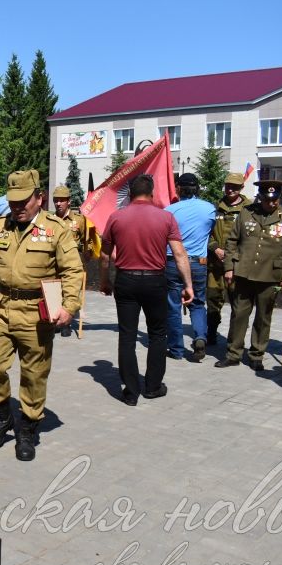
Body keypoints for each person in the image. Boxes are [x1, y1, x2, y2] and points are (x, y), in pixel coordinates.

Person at [0, 171, 84, 461]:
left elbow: (73, 270)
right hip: (1, 308)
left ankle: (27, 427)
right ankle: (2, 417)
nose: (18, 207)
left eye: (24, 201)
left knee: (34, 373)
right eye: (13, 202)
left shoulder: (56, 229)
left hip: (37, 312)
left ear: (39, 198)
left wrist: (69, 306)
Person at [99, 174, 194, 406]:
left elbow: (104, 255)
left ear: (130, 194)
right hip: (155, 281)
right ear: (151, 193)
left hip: (126, 281)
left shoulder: (116, 217)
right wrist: (188, 285)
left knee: (127, 336)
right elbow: (180, 254)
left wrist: (105, 281)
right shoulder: (166, 217)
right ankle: (152, 387)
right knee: (157, 334)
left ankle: (131, 392)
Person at [216, 179, 282, 371]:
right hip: (243, 273)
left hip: (270, 275)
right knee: (239, 315)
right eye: (267, 200)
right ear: (260, 197)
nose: (272, 203)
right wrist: (229, 267)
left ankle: (256, 354)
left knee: (263, 317)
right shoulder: (247, 212)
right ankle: (233, 353)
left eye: (275, 199)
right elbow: (232, 241)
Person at [163, 173, 216, 361]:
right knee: (198, 303)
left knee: (173, 305)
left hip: (173, 262)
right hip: (199, 263)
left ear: (179, 188)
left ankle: (176, 349)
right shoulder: (209, 209)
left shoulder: (169, 210)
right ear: (197, 188)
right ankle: (200, 336)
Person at [207, 172, 251, 346]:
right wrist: (215, 247)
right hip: (216, 266)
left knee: (239, 306)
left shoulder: (249, 209)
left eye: (235, 186)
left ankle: (234, 341)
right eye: (228, 186)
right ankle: (211, 333)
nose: (230, 189)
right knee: (212, 301)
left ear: (241, 188)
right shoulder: (215, 206)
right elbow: (206, 231)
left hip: (238, 266)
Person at [51, 185, 88, 337]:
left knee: (70, 292)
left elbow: (88, 239)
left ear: (68, 201)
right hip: (54, 264)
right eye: (56, 200)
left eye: (62, 200)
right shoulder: (50, 220)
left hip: (72, 263)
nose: (58, 203)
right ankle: (55, 321)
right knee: (54, 293)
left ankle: (67, 322)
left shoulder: (79, 220)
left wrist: (86, 257)